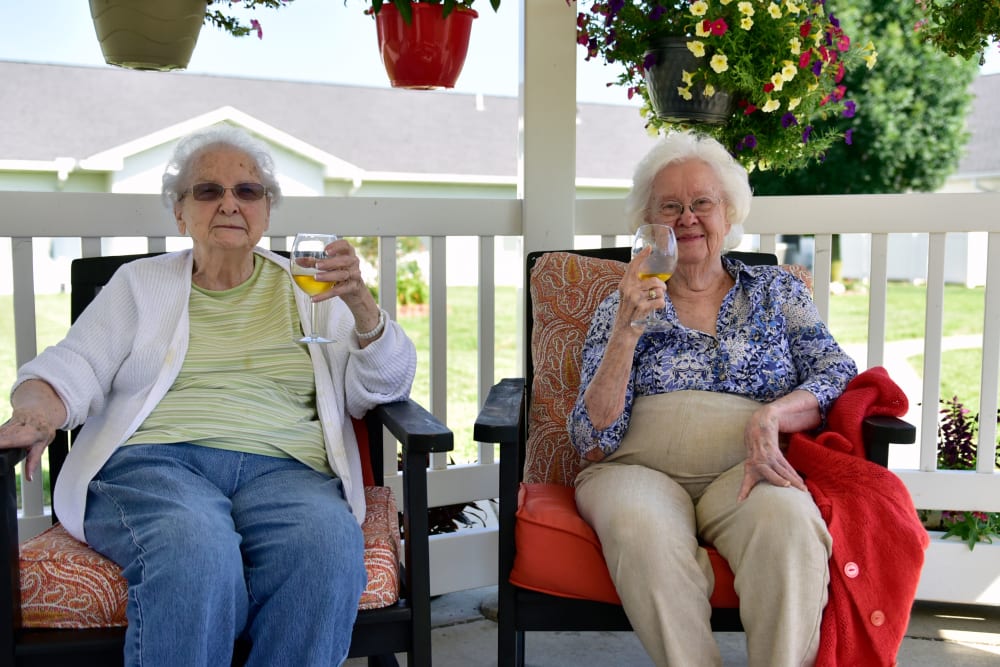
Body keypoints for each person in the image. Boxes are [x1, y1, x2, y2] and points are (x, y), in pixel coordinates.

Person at [0, 124, 416, 667]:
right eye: (207, 191)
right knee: (195, 551)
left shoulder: (311, 288)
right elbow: (72, 365)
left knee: (325, 551)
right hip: (157, 467)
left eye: (247, 191)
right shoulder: (139, 284)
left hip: (286, 469)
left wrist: (362, 305)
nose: (229, 204)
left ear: (266, 211)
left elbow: (384, 387)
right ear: (180, 212)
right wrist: (36, 411)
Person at [567, 132, 858, 667]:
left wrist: (774, 413)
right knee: (638, 524)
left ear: (728, 213)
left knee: (790, 524)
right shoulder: (621, 302)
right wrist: (627, 331)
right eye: (669, 207)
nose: (688, 218)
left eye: (702, 202)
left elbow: (836, 373)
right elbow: (591, 440)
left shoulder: (778, 292)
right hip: (637, 468)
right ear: (648, 223)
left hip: (748, 466)